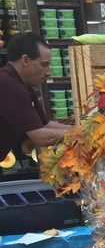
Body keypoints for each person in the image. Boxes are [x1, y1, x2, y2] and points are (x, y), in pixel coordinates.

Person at [0, 32, 72, 162]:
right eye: (44, 65)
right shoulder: (10, 86)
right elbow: (41, 136)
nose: (49, 72)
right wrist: (84, 134)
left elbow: (45, 124)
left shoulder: (23, 84)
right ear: (25, 60)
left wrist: (81, 129)